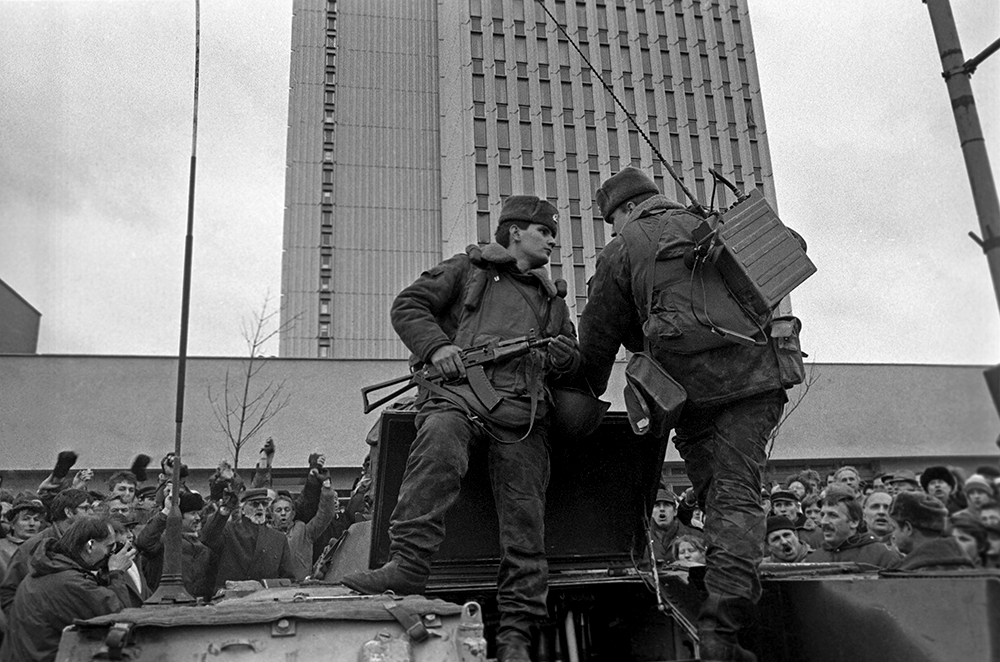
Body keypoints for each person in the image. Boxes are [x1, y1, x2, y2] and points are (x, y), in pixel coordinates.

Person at [577, 167, 803, 662]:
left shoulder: (621, 250)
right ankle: (729, 631)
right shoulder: (715, 221)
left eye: (612, 219)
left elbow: (596, 341)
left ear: (621, 211)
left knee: (723, 499)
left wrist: (582, 399)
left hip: (689, 396)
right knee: (733, 498)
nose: (614, 228)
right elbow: (789, 255)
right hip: (757, 380)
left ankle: (721, 633)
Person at [342, 195, 579, 662]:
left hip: (521, 415)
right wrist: (435, 350)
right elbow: (408, 306)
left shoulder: (551, 300)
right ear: (514, 231)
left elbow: (571, 353)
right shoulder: (467, 269)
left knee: (525, 521)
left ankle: (516, 636)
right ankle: (408, 565)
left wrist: (563, 356)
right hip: (458, 398)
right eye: (543, 231)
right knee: (439, 444)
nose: (553, 239)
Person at [0, 517, 133, 662]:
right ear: (90, 546)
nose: (112, 554)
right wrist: (116, 573)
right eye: (109, 547)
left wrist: (103, 574)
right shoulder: (70, 582)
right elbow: (121, 618)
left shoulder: (51, 567)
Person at [0, 489, 94, 616]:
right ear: (69, 512)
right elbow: (9, 593)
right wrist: (30, 623)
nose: (91, 513)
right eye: (85, 508)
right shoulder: (32, 547)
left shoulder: (86, 542)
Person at [201, 488, 295, 590]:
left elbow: (287, 579)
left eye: (263, 504)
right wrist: (226, 509)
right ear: (243, 509)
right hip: (232, 599)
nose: (259, 507)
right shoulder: (229, 531)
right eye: (254, 504)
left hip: (266, 599)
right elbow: (207, 537)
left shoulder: (279, 538)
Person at [135, 491, 215, 600]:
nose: (197, 518)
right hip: (165, 605)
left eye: (198, 513)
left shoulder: (202, 547)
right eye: (192, 513)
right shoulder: (163, 542)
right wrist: (167, 510)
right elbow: (144, 542)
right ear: (178, 516)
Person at [805, 489, 901, 568]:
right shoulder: (813, 560)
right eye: (822, 515)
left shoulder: (883, 556)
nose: (824, 522)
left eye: (833, 515)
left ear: (854, 522)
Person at [889, 492, 974, 571]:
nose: (893, 535)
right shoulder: (963, 563)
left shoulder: (915, 572)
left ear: (908, 528)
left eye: (894, 528)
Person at [647, 489, 700, 565]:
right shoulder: (640, 539)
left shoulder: (695, 536)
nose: (662, 509)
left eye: (666, 505)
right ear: (651, 512)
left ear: (675, 511)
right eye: (657, 505)